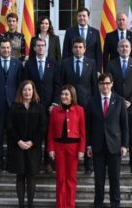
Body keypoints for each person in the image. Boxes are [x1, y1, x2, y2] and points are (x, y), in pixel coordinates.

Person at [86, 73, 129, 208]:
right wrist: (88, 146)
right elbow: (88, 126)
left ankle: (115, 204)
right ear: (98, 85)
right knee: (99, 180)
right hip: (98, 146)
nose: (105, 86)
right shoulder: (91, 101)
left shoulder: (120, 101)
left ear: (112, 84)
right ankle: (98, 204)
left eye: (107, 83)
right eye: (102, 83)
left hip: (115, 146)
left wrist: (124, 145)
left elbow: (125, 125)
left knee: (114, 179)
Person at [106, 38, 132, 176]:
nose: (124, 49)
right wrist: (120, 101)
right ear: (117, 49)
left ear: (130, 49)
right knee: (116, 134)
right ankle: (115, 164)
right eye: (121, 46)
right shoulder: (111, 64)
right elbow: (109, 84)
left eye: (127, 46)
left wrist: (130, 101)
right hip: (116, 106)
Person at [59, 37, 96, 175]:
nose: (78, 49)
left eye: (81, 47)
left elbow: (94, 86)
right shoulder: (65, 63)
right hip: (69, 106)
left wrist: (93, 104)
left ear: (85, 49)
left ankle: (88, 164)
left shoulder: (91, 63)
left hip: (87, 105)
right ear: (72, 48)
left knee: (86, 133)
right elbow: (61, 83)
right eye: (75, 47)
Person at [22, 38, 61, 172]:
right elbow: (25, 84)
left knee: (49, 134)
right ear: (34, 48)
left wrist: (55, 103)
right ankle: (35, 163)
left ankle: (48, 163)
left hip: (50, 106)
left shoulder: (53, 64)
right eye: (38, 46)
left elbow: (58, 85)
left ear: (46, 47)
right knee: (35, 134)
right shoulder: (29, 64)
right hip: (34, 106)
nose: (40, 48)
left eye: (43, 45)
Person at [6, 80, 46, 208]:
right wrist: (19, 141)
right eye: (24, 89)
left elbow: (43, 127)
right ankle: (21, 205)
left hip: (33, 148)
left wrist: (32, 141)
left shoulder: (39, 107)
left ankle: (30, 204)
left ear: (33, 91)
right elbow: (9, 126)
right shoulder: (14, 106)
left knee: (31, 176)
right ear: (20, 91)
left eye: (29, 89)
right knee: (20, 176)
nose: (27, 92)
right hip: (17, 147)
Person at [0, 38, 23, 171]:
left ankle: (11, 162)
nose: (6, 50)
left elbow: (20, 86)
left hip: (13, 105)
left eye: (8, 47)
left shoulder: (17, 64)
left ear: (11, 49)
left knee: (13, 135)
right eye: (3, 48)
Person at [47, 85, 85, 208]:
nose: (63, 96)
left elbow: (83, 132)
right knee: (60, 178)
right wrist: (51, 148)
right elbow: (51, 132)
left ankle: (70, 205)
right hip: (59, 148)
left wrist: (82, 149)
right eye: (62, 94)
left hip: (73, 148)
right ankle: (61, 205)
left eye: (66, 94)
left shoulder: (79, 110)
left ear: (72, 96)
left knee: (71, 178)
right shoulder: (55, 111)